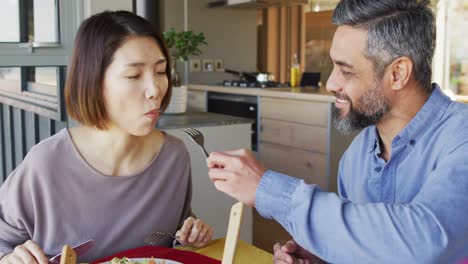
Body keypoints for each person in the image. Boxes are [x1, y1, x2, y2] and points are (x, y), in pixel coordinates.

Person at [207, 0, 468, 263]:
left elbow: (425, 242)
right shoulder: (358, 153)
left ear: (398, 73)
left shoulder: (461, 138)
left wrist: (267, 189)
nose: (331, 83)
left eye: (346, 70)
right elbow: (368, 244)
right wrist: (322, 254)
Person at [0, 11, 213, 264]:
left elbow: (169, 235)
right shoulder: (46, 163)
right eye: (134, 76)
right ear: (94, 82)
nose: (155, 90)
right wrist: (10, 258)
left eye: (161, 71)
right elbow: (4, 242)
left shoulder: (173, 156)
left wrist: (189, 234)